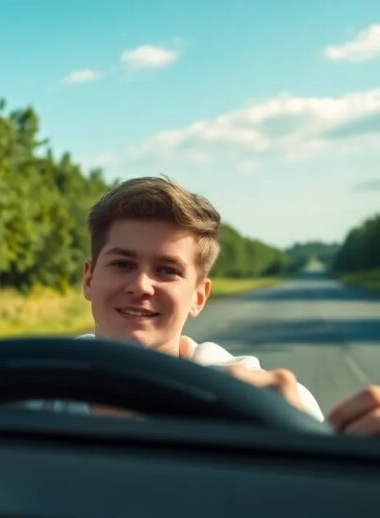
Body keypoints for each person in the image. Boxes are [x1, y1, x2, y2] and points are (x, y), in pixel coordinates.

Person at [79, 175, 380, 432]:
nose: (141, 286)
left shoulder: (265, 401)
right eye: (122, 264)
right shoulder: (47, 376)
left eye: (167, 270)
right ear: (89, 279)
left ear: (199, 296)